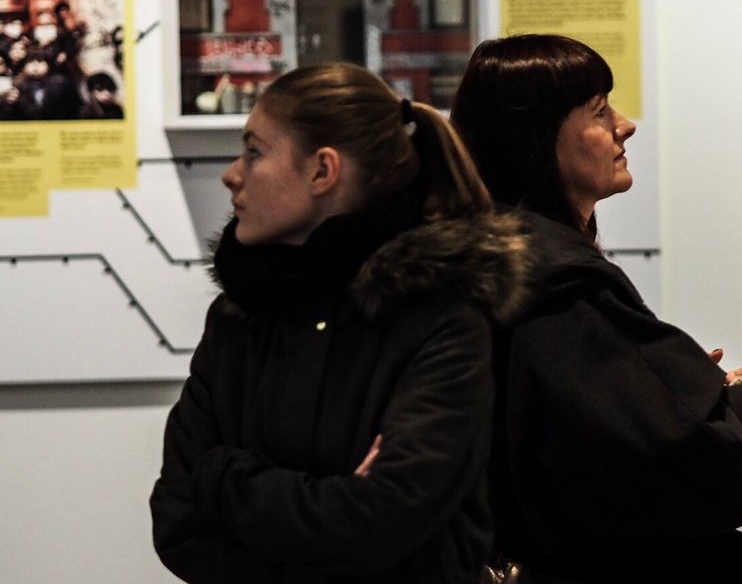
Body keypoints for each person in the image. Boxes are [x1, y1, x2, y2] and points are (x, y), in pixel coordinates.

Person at [150, 62, 529, 584]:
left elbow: (384, 522)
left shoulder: (440, 319)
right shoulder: (238, 316)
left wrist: (223, 477)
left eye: (254, 152)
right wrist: (330, 510)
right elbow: (177, 523)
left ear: (323, 171)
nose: (232, 174)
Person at [450, 34, 742, 584]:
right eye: (600, 111)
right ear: (536, 137)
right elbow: (687, 468)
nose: (624, 125)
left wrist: (676, 387)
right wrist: (738, 401)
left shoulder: (512, 268)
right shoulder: (555, 290)